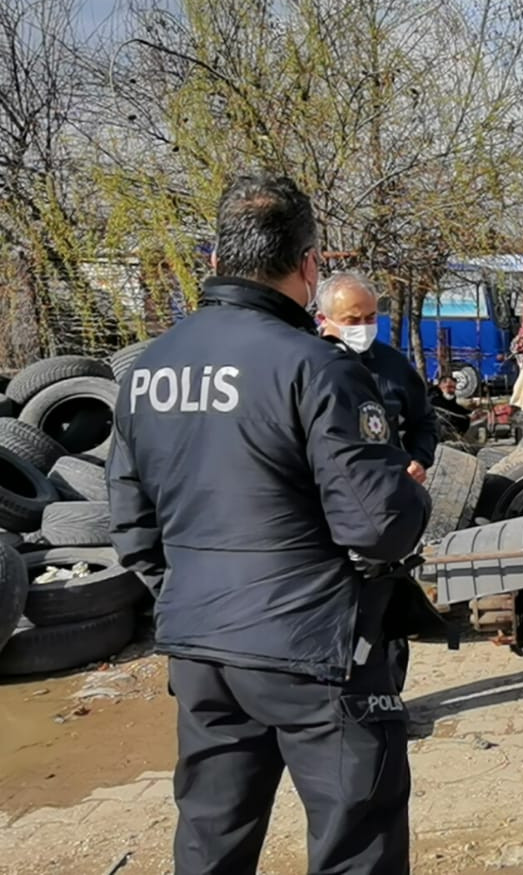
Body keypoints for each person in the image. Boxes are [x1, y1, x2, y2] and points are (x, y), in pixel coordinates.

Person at [105, 174, 433, 874]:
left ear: (219, 257)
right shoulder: (318, 367)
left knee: (211, 836)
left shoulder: (147, 369)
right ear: (309, 265)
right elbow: (378, 527)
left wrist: (194, 592)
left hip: (201, 646)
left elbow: (131, 526)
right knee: (356, 839)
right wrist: (412, 498)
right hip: (314, 647)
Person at [315, 272, 439, 485]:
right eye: (352, 320)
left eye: (370, 317)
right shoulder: (305, 364)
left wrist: (419, 459)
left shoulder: (393, 365)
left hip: (383, 493)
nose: (363, 327)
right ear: (323, 319)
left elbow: (424, 421)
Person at [429, 371, 472, 437]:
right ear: (441, 385)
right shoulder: (434, 397)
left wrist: (469, 412)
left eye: (454, 388)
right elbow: (447, 410)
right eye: (449, 387)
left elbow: (453, 406)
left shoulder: (446, 396)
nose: (452, 390)